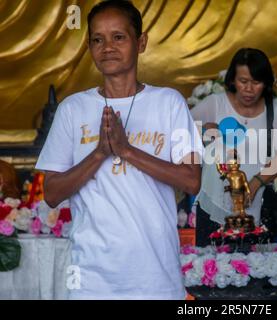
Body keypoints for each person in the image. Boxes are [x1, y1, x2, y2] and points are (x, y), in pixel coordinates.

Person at [35, 0, 203, 299]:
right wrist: (99, 153)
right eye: (98, 39)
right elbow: (52, 193)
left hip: (155, 273)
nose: (107, 47)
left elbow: (191, 180)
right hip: (91, 277)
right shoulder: (72, 109)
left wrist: (126, 150)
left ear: (141, 43)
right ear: (89, 47)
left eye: (118, 37)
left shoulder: (169, 102)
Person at [190, 48, 277, 246]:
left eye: (256, 82)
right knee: (210, 268)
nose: (249, 89)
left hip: (257, 203)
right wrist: (204, 130)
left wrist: (256, 183)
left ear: (266, 83)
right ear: (232, 80)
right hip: (213, 200)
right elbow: (182, 130)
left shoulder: (273, 109)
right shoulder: (215, 104)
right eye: (243, 81)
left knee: (254, 267)